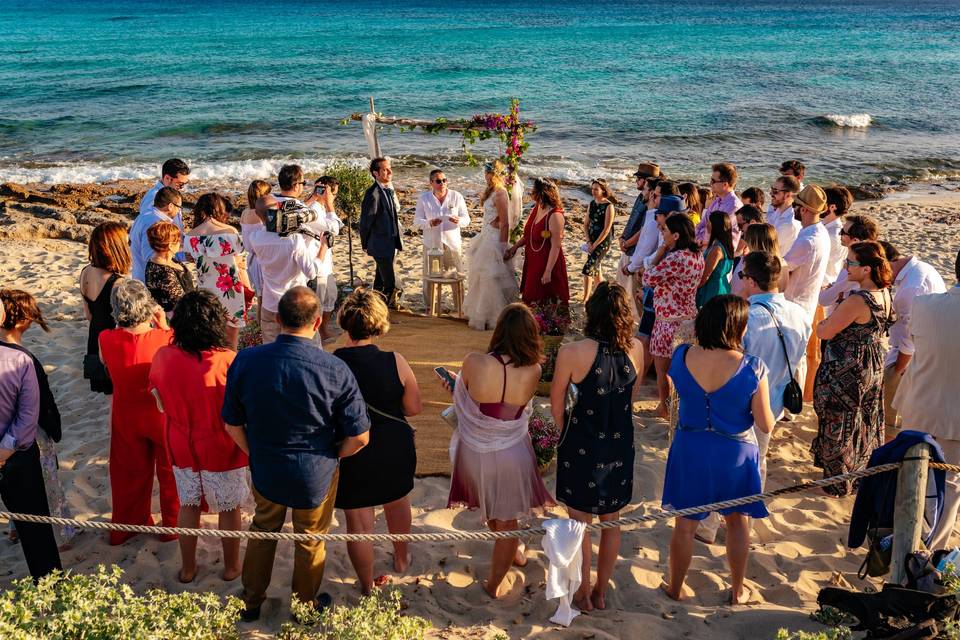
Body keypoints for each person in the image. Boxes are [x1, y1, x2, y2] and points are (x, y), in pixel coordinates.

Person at [223, 286, 370, 620]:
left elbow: (231, 424)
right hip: (315, 469)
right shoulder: (334, 369)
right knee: (310, 540)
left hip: (268, 464)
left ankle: (251, 601)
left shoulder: (247, 360)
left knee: (263, 529)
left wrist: (254, 452)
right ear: (317, 323)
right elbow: (360, 436)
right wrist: (335, 455)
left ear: (277, 318)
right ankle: (304, 607)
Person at [661, 295, 774, 604]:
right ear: (737, 326)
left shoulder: (682, 356)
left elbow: (678, 391)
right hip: (733, 450)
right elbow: (765, 424)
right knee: (737, 522)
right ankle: (737, 590)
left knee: (685, 525)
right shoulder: (752, 366)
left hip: (691, 445)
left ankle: (675, 587)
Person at [443, 303, 554, 599]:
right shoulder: (535, 370)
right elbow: (519, 412)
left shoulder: (474, 362)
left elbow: (462, 403)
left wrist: (455, 387)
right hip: (512, 452)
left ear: (500, 330)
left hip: (475, 454)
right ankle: (504, 567)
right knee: (507, 520)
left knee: (494, 512)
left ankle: (497, 578)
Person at [550, 282, 643, 611]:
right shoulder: (636, 350)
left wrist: (565, 434)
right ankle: (601, 592)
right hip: (619, 442)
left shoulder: (572, 352)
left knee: (579, 524)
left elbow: (557, 402)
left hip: (582, 442)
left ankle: (583, 592)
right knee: (611, 521)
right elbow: (629, 398)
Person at [148, 290, 248, 583]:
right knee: (229, 508)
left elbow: (160, 401)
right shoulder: (228, 360)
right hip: (221, 445)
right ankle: (231, 567)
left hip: (181, 442)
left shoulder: (164, 356)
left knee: (188, 505)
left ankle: (188, 568)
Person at [333, 288, 421, 594]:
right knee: (398, 500)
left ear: (346, 323)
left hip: (353, 447)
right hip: (393, 445)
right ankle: (401, 557)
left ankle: (367, 585)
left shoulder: (332, 363)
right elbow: (413, 408)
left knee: (358, 525)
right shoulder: (395, 360)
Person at [98, 278, 179, 545]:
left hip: (126, 412)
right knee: (170, 471)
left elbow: (105, 363)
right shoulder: (165, 338)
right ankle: (173, 525)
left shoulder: (106, 338)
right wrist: (164, 325)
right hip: (160, 412)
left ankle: (127, 526)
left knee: (127, 473)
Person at [812, 241, 894, 496]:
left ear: (866, 269)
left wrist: (829, 317)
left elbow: (824, 331)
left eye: (851, 263)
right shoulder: (885, 293)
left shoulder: (859, 300)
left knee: (840, 417)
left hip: (848, 366)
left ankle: (837, 481)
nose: (846, 267)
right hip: (872, 362)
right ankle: (858, 473)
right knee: (865, 418)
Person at [893, 249, 960, 548]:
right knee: (948, 488)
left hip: (918, 404)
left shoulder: (924, 304)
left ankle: (908, 544)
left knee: (913, 480)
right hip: (954, 416)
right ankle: (929, 554)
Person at [0, 290, 77, 547]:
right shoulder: (25, 359)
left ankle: (16, 527)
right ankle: (61, 532)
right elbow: (38, 406)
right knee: (47, 482)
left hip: (5, 432)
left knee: (15, 487)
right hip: (30, 434)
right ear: (25, 320)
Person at [738, 253, 811, 481]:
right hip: (777, 397)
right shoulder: (799, 313)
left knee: (739, 462)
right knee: (758, 460)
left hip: (745, 402)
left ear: (751, 281)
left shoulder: (746, 318)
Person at [880, 242, 946, 438]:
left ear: (887, 264)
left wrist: (897, 370)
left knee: (894, 420)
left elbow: (911, 337)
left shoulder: (911, 288)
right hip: (918, 355)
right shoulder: (920, 269)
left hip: (909, 360)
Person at [642, 214, 705, 418]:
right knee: (685, 371)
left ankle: (665, 408)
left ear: (676, 235)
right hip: (689, 319)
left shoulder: (675, 258)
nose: (662, 234)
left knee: (663, 372)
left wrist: (660, 251)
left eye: (665, 231)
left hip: (668, 321)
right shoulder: (697, 255)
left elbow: (648, 277)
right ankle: (677, 408)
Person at [247, 194, 325, 344]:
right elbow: (312, 271)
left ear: (257, 214)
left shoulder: (255, 238)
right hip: (296, 303)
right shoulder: (293, 239)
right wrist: (323, 247)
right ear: (279, 208)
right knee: (309, 346)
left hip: (270, 303)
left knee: (270, 351)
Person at [783, 185, 831, 400]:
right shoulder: (820, 232)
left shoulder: (807, 240)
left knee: (792, 356)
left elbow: (785, 267)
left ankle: (792, 403)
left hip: (796, 302)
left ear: (803, 209)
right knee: (797, 355)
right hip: (806, 301)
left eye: (796, 205)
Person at [185, 193, 250, 350]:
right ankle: (229, 368)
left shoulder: (190, 236)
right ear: (219, 209)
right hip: (230, 288)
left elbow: (191, 260)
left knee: (209, 337)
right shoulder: (230, 232)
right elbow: (240, 263)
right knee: (231, 336)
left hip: (206, 290)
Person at [463, 161, 520, 330]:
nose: (485, 176)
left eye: (487, 173)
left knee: (491, 277)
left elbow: (505, 223)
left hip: (494, 240)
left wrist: (503, 247)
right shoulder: (491, 192)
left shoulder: (501, 193)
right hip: (485, 235)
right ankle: (482, 315)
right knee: (482, 277)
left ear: (494, 174)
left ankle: (496, 317)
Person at [79, 221, 131, 394]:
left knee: (108, 394)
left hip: (95, 340)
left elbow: (88, 315)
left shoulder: (85, 272)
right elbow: (123, 324)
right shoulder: (119, 283)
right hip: (112, 345)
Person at [505, 178, 570, 306]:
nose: (531, 192)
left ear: (542, 193)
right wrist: (515, 248)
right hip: (533, 260)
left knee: (544, 300)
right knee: (530, 297)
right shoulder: (538, 207)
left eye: (534, 190)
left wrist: (548, 271)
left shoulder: (555, 215)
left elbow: (556, 247)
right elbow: (528, 235)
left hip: (547, 263)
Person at [414, 169, 470, 298]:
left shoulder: (456, 196)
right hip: (432, 244)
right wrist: (429, 223)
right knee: (430, 276)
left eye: (444, 180)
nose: (442, 183)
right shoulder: (424, 198)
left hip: (452, 244)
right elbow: (416, 221)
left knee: (456, 275)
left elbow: (467, 219)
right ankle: (430, 307)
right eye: (438, 181)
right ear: (431, 183)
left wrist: (459, 220)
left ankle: (459, 306)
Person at [615, 163, 660, 312]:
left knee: (635, 292)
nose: (636, 181)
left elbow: (644, 231)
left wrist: (627, 243)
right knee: (622, 285)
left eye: (639, 178)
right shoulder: (640, 197)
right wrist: (622, 237)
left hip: (635, 250)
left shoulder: (652, 205)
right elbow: (632, 221)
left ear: (647, 181)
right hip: (628, 247)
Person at [359, 157, 404, 309]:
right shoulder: (373, 194)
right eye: (384, 169)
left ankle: (374, 309)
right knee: (390, 283)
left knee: (379, 281)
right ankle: (384, 311)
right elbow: (366, 222)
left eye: (389, 168)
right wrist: (365, 243)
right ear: (375, 173)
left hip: (390, 243)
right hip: (379, 244)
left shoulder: (388, 189)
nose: (389, 171)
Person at [817, 214, 881, 312]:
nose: (839, 234)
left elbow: (824, 300)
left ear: (855, 241)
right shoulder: (869, 262)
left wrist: (827, 289)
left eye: (843, 232)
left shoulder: (855, 268)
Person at [311, 176, 346, 340]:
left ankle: (323, 329)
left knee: (330, 295)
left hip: (326, 261)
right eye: (334, 194)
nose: (335, 197)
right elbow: (334, 228)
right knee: (318, 299)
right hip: (316, 260)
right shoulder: (314, 208)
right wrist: (329, 202)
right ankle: (316, 332)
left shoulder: (320, 207)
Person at [130, 186, 184, 282]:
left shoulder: (144, 215)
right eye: (179, 207)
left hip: (139, 275)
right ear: (170, 206)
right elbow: (150, 256)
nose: (179, 211)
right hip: (149, 280)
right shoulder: (155, 223)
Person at [145, 221, 194, 317]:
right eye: (178, 240)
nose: (180, 243)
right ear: (170, 246)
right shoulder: (164, 272)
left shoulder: (166, 261)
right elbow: (179, 302)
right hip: (180, 320)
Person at [581, 179, 616, 302]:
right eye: (592, 189)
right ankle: (605, 294)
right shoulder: (592, 203)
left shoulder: (609, 206)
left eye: (596, 189)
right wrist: (589, 242)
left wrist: (595, 245)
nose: (593, 191)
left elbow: (606, 230)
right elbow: (585, 225)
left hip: (602, 242)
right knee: (596, 271)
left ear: (603, 190)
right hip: (591, 241)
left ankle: (585, 299)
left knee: (588, 269)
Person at [731, 224, 789, 298]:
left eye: (747, 238)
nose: (745, 241)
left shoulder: (752, 264)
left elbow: (742, 294)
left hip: (747, 306)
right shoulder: (781, 264)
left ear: (754, 242)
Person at [239, 179, 272, 304]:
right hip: (262, 258)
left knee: (260, 298)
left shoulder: (244, 213)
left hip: (251, 260)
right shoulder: (264, 214)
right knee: (266, 298)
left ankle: (260, 322)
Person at [696, 163, 742, 248]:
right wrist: (697, 239)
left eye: (713, 181)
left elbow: (717, 233)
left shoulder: (734, 206)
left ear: (725, 184)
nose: (710, 183)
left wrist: (700, 241)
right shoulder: (716, 201)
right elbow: (702, 225)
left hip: (718, 252)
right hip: (705, 246)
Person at [696, 210, 735, 308]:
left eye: (709, 223)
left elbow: (705, 275)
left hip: (712, 291)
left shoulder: (717, 249)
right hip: (722, 287)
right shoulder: (724, 245)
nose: (707, 225)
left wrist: (691, 290)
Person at [821, 186, 854, 289]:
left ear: (832, 207)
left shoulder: (833, 234)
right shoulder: (830, 226)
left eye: (822, 202)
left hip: (823, 283)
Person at [766, 176, 802, 255]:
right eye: (772, 189)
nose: (771, 193)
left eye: (775, 191)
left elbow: (765, 247)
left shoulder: (789, 224)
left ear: (788, 195)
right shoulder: (777, 212)